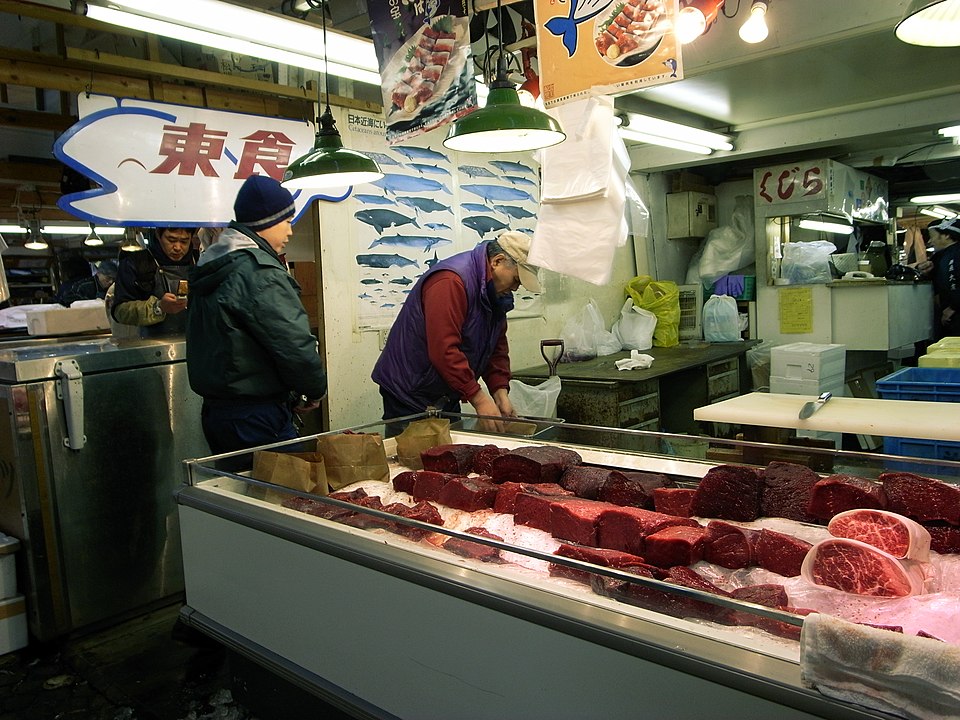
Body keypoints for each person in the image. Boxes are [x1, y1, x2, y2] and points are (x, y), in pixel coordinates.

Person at [185, 175, 327, 455]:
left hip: (219, 414)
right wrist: (314, 390)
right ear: (267, 222)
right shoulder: (259, 273)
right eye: (287, 221)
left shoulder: (213, 265)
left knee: (238, 494)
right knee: (281, 497)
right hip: (257, 416)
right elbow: (295, 345)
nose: (290, 231)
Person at [372, 231, 541, 436]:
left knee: (448, 458)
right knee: (410, 461)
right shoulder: (451, 281)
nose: (516, 288)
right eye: (516, 280)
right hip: (410, 390)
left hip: (445, 391)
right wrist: (479, 399)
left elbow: (494, 346)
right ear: (497, 261)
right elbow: (444, 349)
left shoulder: (495, 293)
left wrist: (500, 393)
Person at [111, 227, 197, 336]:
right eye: (171, 240)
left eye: (184, 241)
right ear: (158, 235)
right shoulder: (135, 263)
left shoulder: (200, 262)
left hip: (195, 343)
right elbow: (120, 312)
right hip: (151, 345)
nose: (178, 247)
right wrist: (158, 307)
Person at [916, 218, 960, 339]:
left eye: (932, 236)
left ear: (946, 235)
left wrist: (953, 307)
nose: (930, 241)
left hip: (954, 315)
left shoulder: (955, 255)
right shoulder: (941, 256)